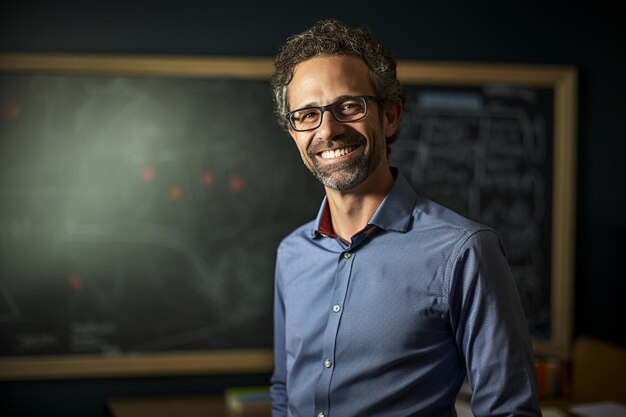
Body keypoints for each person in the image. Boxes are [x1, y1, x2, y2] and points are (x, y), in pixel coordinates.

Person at [269, 19, 542, 417]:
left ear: (390, 116)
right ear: (294, 132)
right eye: (307, 114)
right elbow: (284, 389)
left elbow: (509, 411)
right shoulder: (292, 253)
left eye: (349, 106)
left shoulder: (465, 252)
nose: (328, 130)